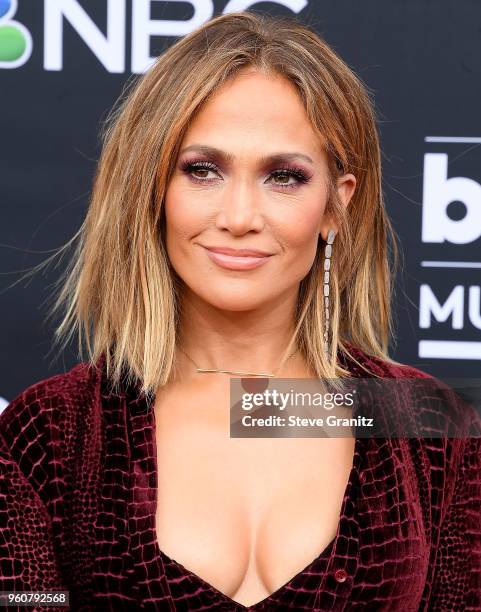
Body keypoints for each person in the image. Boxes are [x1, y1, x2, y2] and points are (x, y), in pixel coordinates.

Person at [1, 11, 480, 612]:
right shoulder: (50, 433)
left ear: (337, 205)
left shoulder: (431, 428)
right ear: (153, 188)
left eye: (284, 177)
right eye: (202, 170)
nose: (239, 215)